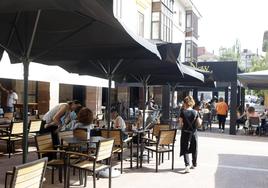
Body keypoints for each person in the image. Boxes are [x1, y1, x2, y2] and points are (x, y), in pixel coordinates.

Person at [179, 96, 199, 173]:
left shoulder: (183, 112)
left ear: (185, 103)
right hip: (194, 133)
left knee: (185, 148)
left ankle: (187, 165)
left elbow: (180, 124)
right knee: (194, 148)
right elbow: (198, 123)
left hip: (185, 132)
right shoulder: (196, 112)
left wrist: (182, 124)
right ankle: (194, 164)